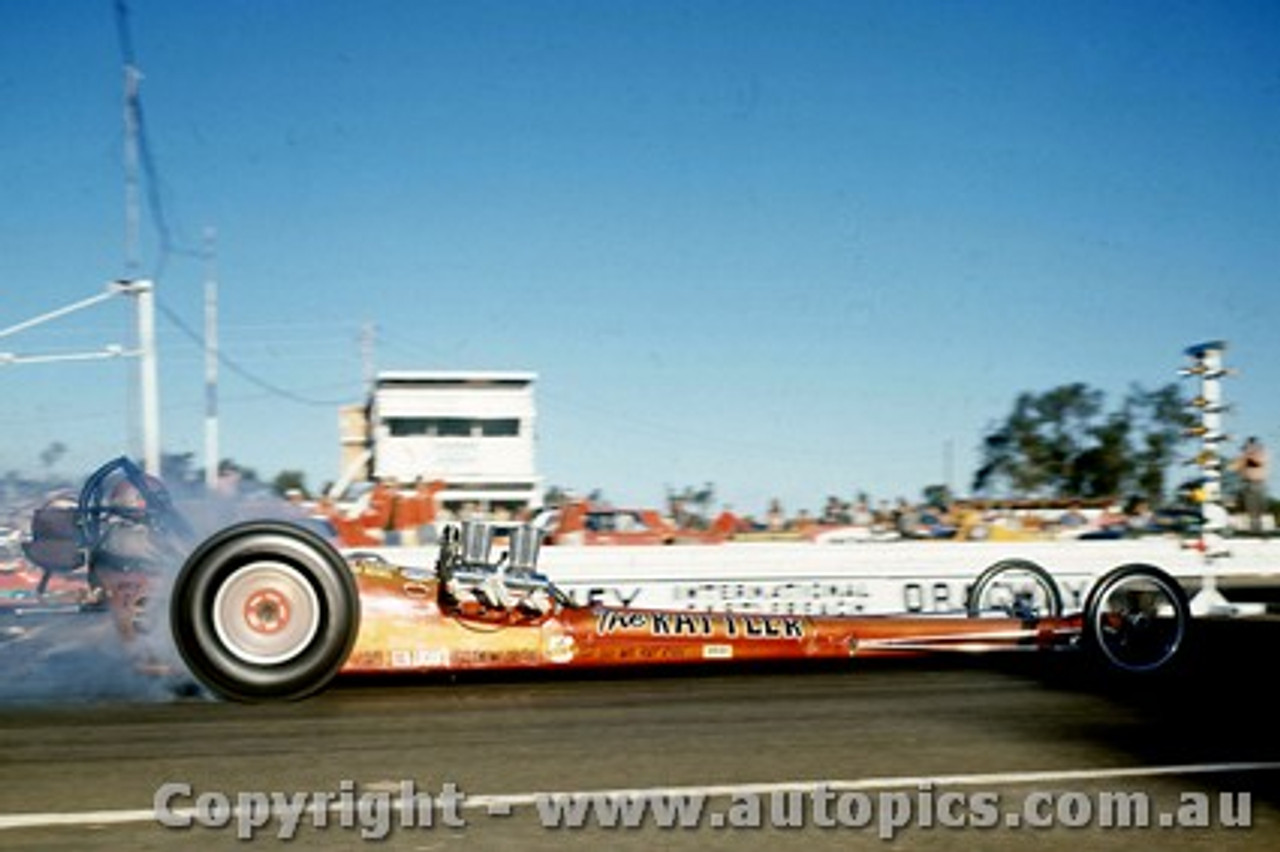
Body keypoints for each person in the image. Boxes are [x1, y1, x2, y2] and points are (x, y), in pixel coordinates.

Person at [1231, 437, 1270, 534]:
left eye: (1251, 445)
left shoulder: (1261, 455)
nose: (1249, 448)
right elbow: (1234, 468)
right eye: (1248, 446)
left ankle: (1259, 527)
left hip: (1258, 483)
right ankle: (1254, 528)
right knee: (1250, 506)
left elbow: (1257, 463)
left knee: (1260, 506)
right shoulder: (1243, 457)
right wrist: (1241, 460)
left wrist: (1247, 456)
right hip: (1247, 483)